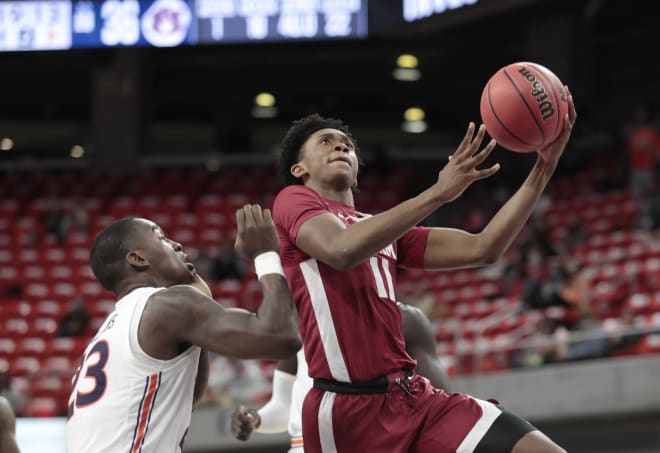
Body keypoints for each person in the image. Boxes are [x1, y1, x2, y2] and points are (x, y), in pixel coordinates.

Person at [269, 91, 575, 453]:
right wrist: (438, 193)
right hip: (346, 412)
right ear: (299, 170)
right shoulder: (292, 200)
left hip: (413, 398)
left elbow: (485, 247)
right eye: (326, 142)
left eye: (347, 145)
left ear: (356, 174)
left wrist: (544, 167)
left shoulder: (380, 229)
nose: (340, 147)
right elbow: (342, 250)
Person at [66, 206, 301, 453]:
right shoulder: (164, 306)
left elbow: (184, 401)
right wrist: (265, 253)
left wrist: (200, 291)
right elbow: (280, 336)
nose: (177, 244)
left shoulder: (111, 327)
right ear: (138, 259)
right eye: (162, 238)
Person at [230, 301, 451, 451]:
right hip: (306, 446)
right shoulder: (301, 323)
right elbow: (284, 406)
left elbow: (441, 406)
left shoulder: (403, 319)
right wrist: (256, 420)